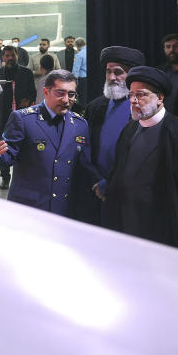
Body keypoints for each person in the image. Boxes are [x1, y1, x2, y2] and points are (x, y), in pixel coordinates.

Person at [104, 66, 178, 250]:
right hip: (126, 225)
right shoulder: (129, 129)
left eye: (141, 95)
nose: (133, 100)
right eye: (131, 95)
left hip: (162, 232)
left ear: (160, 98)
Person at [0, 70, 96, 216]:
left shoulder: (80, 124)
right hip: (30, 207)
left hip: (65, 207)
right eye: (60, 93)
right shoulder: (23, 119)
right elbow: (8, 157)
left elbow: (85, 164)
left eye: (71, 94)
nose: (66, 99)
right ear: (46, 92)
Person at [73, 45, 144, 225]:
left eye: (118, 72)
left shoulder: (144, 108)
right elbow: (85, 151)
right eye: (108, 72)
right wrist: (99, 182)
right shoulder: (95, 107)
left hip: (129, 195)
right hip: (96, 191)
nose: (112, 77)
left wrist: (111, 184)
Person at [0, 45, 37, 190]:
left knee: (23, 148)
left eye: (12, 55)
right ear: (3, 57)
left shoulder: (26, 73)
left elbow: (33, 93)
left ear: (17, 55)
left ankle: (22, 177)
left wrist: (27, 100)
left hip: (22, 117)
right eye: (7, 56)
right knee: (3, 147)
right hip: (2, 117)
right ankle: (5, 177)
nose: (10, 58)